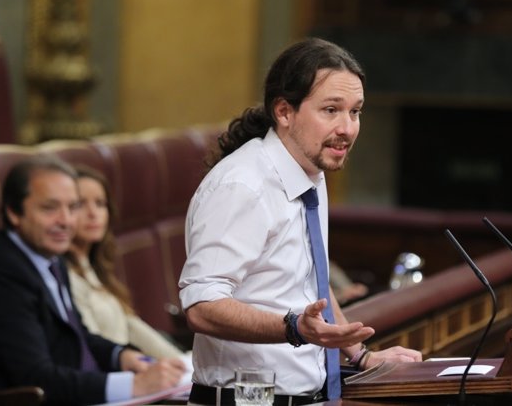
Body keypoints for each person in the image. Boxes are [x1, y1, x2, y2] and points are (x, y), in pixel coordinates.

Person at [179, 37, 422, 405]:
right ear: (284, 111)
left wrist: (362, 355)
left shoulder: (310, 171)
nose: (348, 128)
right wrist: (293, 328)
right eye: (331, 110)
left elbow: (313, 284)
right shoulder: (243, 186)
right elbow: (201, 305)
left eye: (355, 112)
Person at [0, 155, 186, 405]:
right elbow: (34, 377)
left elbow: (77, 336)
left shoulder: (51, 258)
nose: (66, 221)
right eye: (50, 208)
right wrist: (134, 385)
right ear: (13, 212)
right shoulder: (2, 273)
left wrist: (120, 356)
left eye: (72, 207)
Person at [66, 164, 185, 359]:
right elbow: (91, 345)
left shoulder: (94, 268)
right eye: (80, 204)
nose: (93, 213)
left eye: (100, 203)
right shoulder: (64, 275)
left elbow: (130, 325)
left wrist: (181, 365)